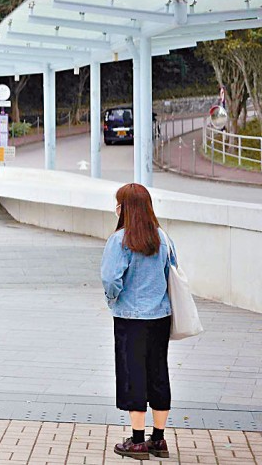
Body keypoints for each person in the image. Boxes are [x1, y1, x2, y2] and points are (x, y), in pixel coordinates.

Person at [101, 183, 175, 460]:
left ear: (123, 208)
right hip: (160, 317)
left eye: (117, 204)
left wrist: (114, 299)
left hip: (131, 318)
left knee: (134, 374)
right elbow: (173, 271)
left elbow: (110, 279)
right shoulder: (163, 238)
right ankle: (159, 439)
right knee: (158, 373)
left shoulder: (120, 240)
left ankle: (137, 441)